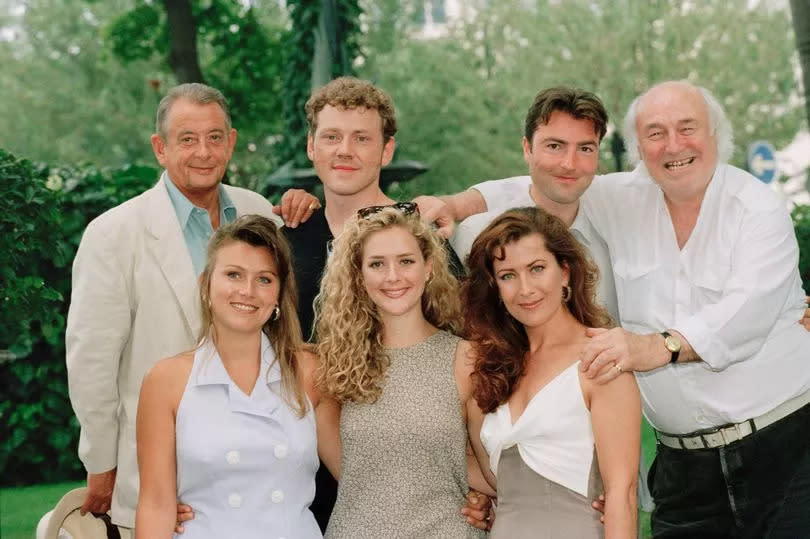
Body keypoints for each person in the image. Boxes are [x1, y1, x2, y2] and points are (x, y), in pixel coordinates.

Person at [573, 81, 810, 537]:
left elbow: (748, 312)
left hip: (790, 453)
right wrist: (459, 203)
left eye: (688, 128)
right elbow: (549, 184)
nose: (673, 145)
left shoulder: (757, 207)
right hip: (683, 475)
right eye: (656, 133)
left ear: (716, 135)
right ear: (639, 147)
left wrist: (657, 347)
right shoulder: (618, 200)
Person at [65, 83, 279, 534]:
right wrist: (101, 461)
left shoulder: (259, 214)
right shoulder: (113, 235)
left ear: (232, 141)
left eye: (215, 137)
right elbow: (92, 362)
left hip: (255, 467)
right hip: (161, 472)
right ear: (160, 148)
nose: (203, 151)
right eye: (187, 139)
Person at [280, 76, 465, 530]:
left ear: (387, 150)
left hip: (411, 487)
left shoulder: (423, 244)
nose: (345, 150)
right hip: (297, 478)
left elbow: (465, 367)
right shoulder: (286, 242)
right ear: (311, 146)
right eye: (331, 137)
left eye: (362, 138)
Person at [135, 215, 336, 538]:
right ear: (206, 284)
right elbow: (156, 504)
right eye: (233, 275)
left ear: (278, 295)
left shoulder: (309, 371)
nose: (247, 291)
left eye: (264, 279)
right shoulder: (166, 381)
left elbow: (357, 475)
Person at [314, 204, 493, 538]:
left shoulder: (466, 359)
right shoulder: (334, 366)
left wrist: (488, 500)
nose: (393, 276)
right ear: (359, 274)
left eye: (406, 261)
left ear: (428, 268)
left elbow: (493, 470)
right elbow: (355, 475)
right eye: (377, 264)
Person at [462, 207, 639, 538]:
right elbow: (487, 476)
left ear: (566, 273)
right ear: (495, 287)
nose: (525, 289)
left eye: (537, 268)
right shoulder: (493, 368)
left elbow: (622, 497)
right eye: (508, 275)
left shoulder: (600, 361)